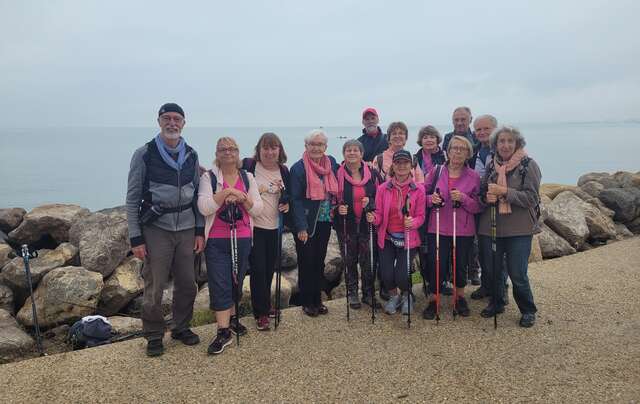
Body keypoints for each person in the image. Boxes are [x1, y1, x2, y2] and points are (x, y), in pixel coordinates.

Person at [126, 103, 204, 357]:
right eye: (167, 118)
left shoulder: (191, 155)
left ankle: (181, 327)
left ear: (184, 123)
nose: (172, 123)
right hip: (156, 229)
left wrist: (199, 231)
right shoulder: (144, 154)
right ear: (159, 121)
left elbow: (197, 196)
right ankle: (153, 335)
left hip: (187, 228)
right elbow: (133, 198)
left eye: (177, 119)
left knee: (188, 284)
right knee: (154, 287)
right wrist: (136, 237)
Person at [198, 137, 263, 354]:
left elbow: (257, 209)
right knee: (220, 281)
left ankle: (233, 317)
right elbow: (205, 207)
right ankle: (223, 331)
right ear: (217, 153)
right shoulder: (208, 177)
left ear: (238, 152)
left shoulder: (248, 177)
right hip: (217, 238)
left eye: (232, 149)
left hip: (243, 236)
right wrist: (226, 193)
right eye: (223, 149)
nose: (228, 153)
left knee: (237, 278)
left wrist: (242, 198)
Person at [477, 126, 540, 328]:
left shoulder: (528, 165)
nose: (505, 145)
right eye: (501, 141)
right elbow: (481, 194)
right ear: (495, 144)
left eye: (510, 141)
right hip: (492, 226)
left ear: (517, 143)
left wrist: (504, 191)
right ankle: (497, 302)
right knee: (493, 269)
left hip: (519, 229)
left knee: (517, 272)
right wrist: (486, 197)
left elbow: (531, 198)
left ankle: (528, 309)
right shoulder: (490, 166)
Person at [422, 135, 481, 320]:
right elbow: (420, 196)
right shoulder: (436, 171)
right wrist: (431, 200)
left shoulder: (474, 176)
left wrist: (463, 198)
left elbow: (479, 206)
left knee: (460, 264)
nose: (457, 151)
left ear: (468, 154)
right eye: (454, 148)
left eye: (462, 149)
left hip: (462, 229)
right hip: (437, 227)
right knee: (436, 264)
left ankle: (459, 297)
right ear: (447, 151)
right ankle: (434, 299)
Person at [366, 150, 426, 315]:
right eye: (398, 163)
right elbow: (379, 214)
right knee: (386, 274)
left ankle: (407, 295)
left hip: (409, 238)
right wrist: (373, 218)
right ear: (393, 165)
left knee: (401, 274)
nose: (401, 166)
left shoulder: (418, 190)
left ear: (411, 166)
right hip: (387, 238)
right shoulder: (383, 188)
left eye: (405, 163)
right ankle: (394, 296)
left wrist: (412, 222)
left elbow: (421, 216)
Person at [242, 133, 290, 331]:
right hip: (255, 227)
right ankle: (260, 313)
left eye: (274, 148)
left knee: (270, 268)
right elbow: (227, 174)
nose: (270, 152)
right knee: (258, 269)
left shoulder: (284, 171)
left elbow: (289, 195)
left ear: (280, 150)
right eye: (266, 148)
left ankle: (266, 306)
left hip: (275, 227)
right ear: (259, 150)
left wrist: (287, 205)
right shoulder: (249, 166)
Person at [290, 129, 339, 317]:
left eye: (320, 144)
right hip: (307, 222)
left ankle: (317, 299)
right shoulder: (298, 168)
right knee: (306, 261)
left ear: (325, 147)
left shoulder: (331, 163)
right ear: (306, 146)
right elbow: (295, 199)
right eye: (313, 144)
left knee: (319, 261)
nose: (316, 148)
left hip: (326, 220)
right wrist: (301, 226)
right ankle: (306, 301)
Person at [335, 139, 382, 310]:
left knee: (368, 260)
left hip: (366, 225)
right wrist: (337, 209)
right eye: (348, 150)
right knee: (349, 260)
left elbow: (381, 196)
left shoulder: (373, 173)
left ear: (362, 154)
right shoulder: (336, 174)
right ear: (344, 154)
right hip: (345, 225)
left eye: (356, 150)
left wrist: (371, 202)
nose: (352, 153)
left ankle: (369, 294)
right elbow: (331, 198)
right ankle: (352, 293)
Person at [468, 114, 499, 290]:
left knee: (497, 252)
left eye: (486, 128)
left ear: (495, 128)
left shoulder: (503, 150)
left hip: (497, 207)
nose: (482, 132)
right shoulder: (474, 152)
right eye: (478, 129)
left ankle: (499, 292)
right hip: (479, 205)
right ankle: (487, 286)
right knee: (483, 250)